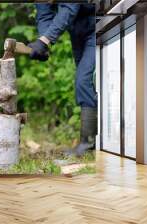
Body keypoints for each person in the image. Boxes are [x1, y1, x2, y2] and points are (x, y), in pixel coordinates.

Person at [28, 4, 97, 157]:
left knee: (84, 80)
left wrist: (46, 40)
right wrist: (43, 43)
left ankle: (88, 144)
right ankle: (95, 143)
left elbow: (69, 8)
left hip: (99, 25)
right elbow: (44, 14)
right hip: (78, 32)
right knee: (88, 83)